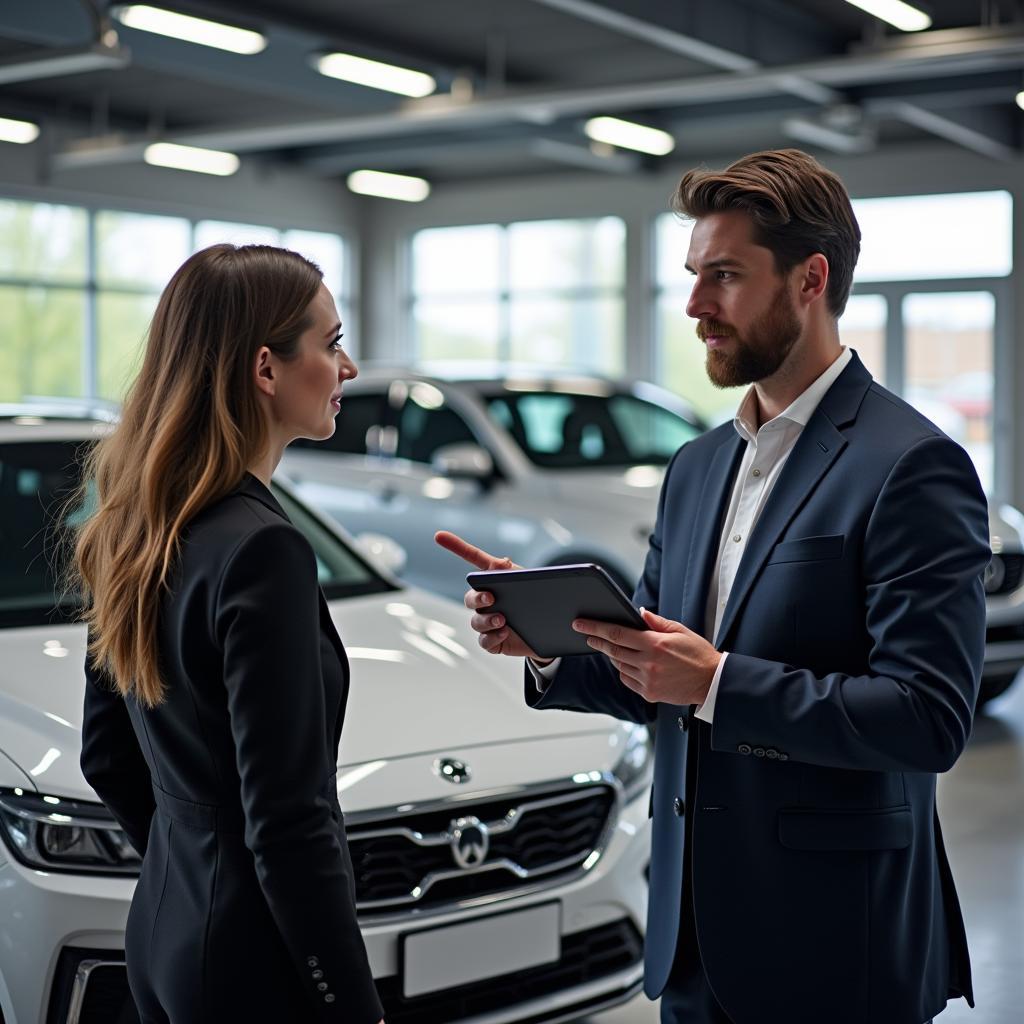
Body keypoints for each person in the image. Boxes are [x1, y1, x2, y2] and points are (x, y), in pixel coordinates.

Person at [436, 149, 989, 1024]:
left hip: (836, 948)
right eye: (695, 276)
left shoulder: (913, 465)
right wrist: (545, 645)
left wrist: (720, 683)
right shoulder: (696, 467)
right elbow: (658, 669)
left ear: (811, 279)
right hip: (693, 940)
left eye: (724, 277)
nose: (695, 306)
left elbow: (926, 717)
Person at [73, 244, 384, 1024]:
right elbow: (288, 819)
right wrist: (350, 999)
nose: (348, 368)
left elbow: (105, 753)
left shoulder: (136, 526)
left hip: (166, 929)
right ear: (266, 369)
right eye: (332, 342)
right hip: (253, 965)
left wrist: (197, 863)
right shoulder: (262, 550)